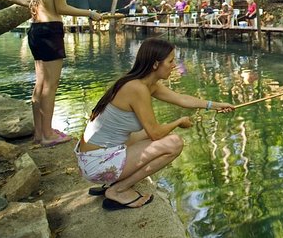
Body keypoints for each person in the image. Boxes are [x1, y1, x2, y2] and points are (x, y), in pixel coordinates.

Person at [75, 38, 234, 210]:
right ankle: (118, 190)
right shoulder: (137, 88)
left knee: (154, 132)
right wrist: (179, 121)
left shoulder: (144, 84)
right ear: (156, 64)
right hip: (97, 164)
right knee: (174, 143)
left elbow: (181, 99)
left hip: (93, 158)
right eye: (170, 61)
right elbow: (156, 134)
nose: (174, 65)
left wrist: (215, 105)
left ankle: (114, 181)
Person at [0, 0, 103, 147]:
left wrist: (25, 2)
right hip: (51, 31)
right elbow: (61, 7)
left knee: (40, 84)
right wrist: (90, 13)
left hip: (35, 31)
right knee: (50, 85)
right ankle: (47, 134)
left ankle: (39, 133)